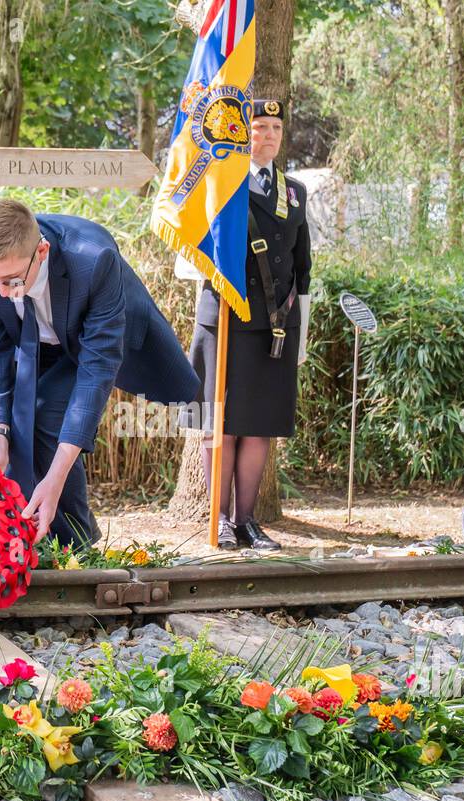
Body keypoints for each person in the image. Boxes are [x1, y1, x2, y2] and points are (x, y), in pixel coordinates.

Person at [0, 199, 199, 548]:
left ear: (41, 251)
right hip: (27, 345)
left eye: (11, 280)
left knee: (47, 420)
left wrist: (54, 479)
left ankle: (73, 543)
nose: (1, 292)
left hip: (87, 345)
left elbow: (96, 370)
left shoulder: (93, 258)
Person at [181, 98, 312, 552]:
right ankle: (217, 519)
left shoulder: (294, 191)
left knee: (258, 426)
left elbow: (303, 268)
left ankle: (246, 522)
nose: (269, 134)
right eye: (259, 126)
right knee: (218, 425)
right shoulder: (218, 185)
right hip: (226, 319)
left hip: (274, 326)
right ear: (242, 133)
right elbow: (191, 253)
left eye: (276, 126)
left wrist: (302, 334)